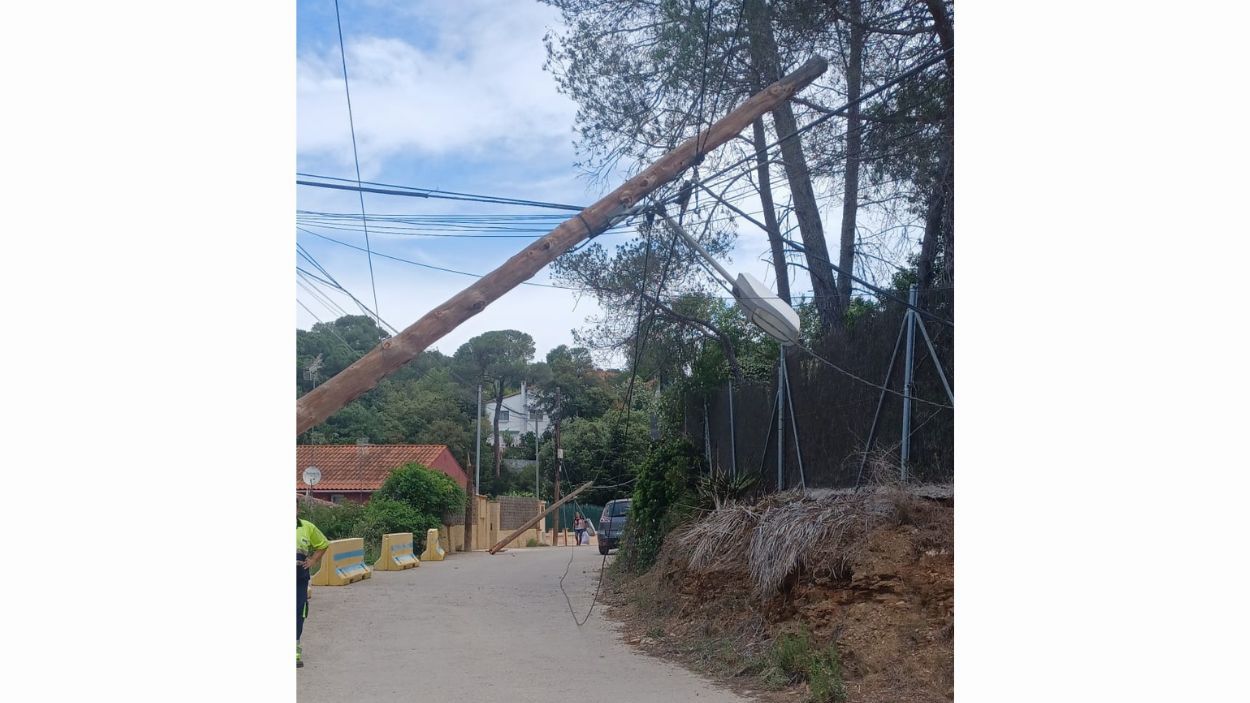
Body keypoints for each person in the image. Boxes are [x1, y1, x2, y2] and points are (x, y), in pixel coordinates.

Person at [296, 516, 329, 669]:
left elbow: (323, 544)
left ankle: (294, 649)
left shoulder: (307, 527)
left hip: (299, 577)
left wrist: (313, 560)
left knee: (298, 612)